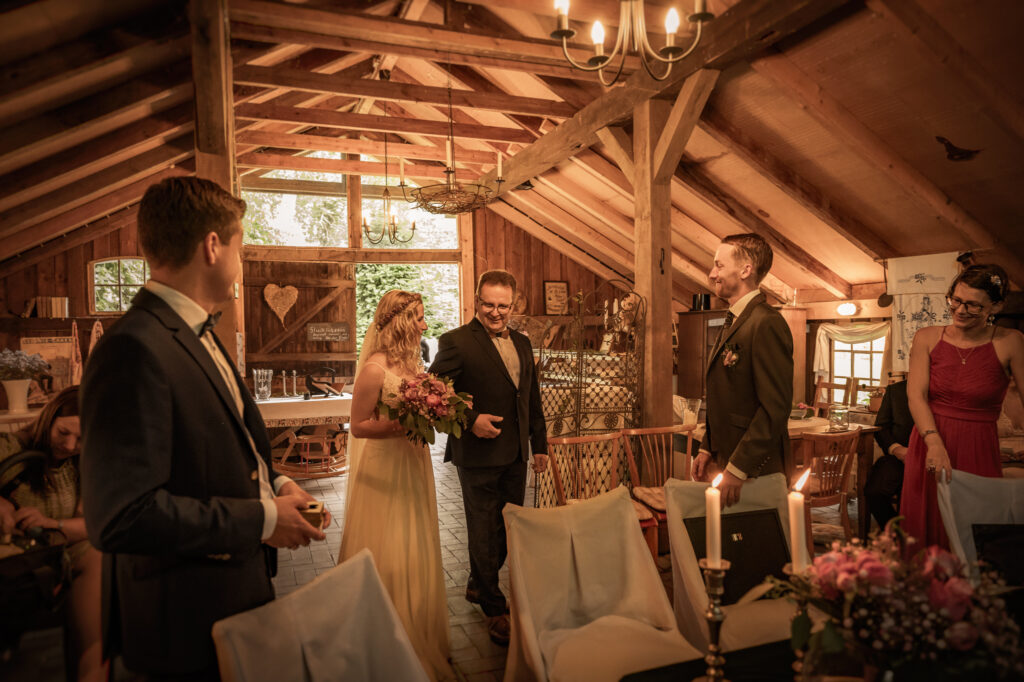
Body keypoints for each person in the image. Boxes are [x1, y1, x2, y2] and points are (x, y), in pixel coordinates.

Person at [80, 176, 326, 680]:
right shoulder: (134, 347)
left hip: (231, 597)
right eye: (241, 247)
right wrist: (261, 520)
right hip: (184, 620)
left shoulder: (201, 333)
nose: (242, 262)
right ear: (213, 246)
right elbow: (121, 516)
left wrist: (276, 483)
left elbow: (222, 441)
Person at [338, 289, 454, 681]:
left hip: (413, 462)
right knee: (387, 541)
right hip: (384, 468)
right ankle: (381, 638)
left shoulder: (414, 365)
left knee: (413, 537)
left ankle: (415, 628)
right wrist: (400, 425)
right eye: (419, 317)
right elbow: (357, 426)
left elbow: (423, 410)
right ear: (403, 322)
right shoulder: (374, 369)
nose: (424, 324)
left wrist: (436, 407)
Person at [429, 270, 548, 646]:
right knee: (483, 528)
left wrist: (539, 444)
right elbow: (430, 393)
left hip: (516, 453)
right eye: (489, 304)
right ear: (476, 301)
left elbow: (531, 397)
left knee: (506, 528)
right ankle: (494, 608)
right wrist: (469, 419)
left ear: (514, 305)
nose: (496, 313)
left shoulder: (524, 344)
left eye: (503, 306)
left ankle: (477, 585)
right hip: (477, 454)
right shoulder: (455, 342)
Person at [901, 264, 1024, 549]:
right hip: (929, 441)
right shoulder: (927, 337)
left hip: (978, 445)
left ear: (996, 306)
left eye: (973, 305)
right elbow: (916, 395)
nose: (959, 310)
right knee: (923, 534)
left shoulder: (1011, 342)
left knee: (974, 534)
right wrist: (933, 443)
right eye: (955, 300)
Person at [0, 386, 106, 682]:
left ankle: (91, 670)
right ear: (49, 418)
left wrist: (51, 524)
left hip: (58, 549)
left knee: (98, 554)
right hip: (13, 555)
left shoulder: (84, 462)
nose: (71, 445)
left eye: (82, 439)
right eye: (63, 433)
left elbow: (92, 525)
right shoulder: (10, 447)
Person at [692, 233, 794, 507]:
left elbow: (775, 408)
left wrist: (738, 468)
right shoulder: (735, 319)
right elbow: (726, 397)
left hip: (754, 470)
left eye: (719, 265)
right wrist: (706, 446)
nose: (712, 274)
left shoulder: (766, 323)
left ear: (745, 270)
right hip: (725, 459)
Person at [864, 376, 913, 530]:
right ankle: (897, 534)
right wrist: (896, 449)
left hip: (932, 459)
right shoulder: (896, 390)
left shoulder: (945, 391)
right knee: (875, 492)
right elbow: (882, 427)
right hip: (899, 458)